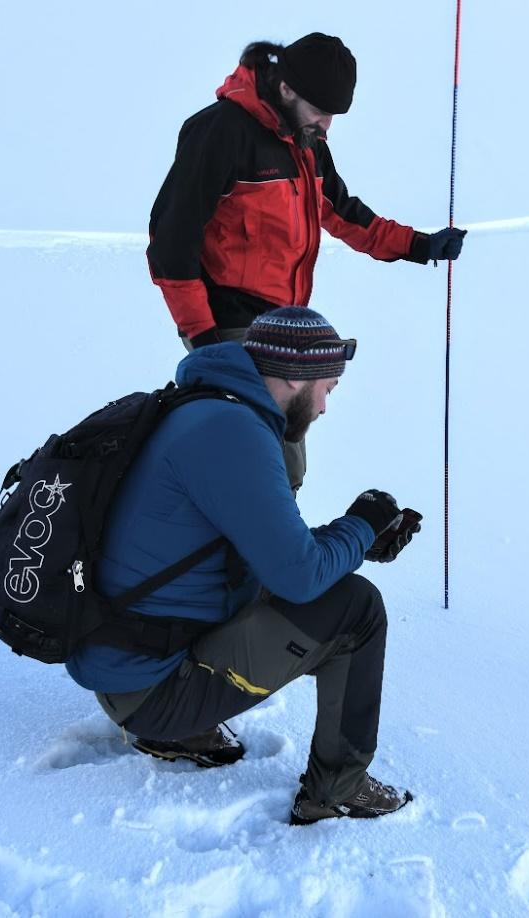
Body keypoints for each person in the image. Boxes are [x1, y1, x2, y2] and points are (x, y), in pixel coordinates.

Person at [66, 306, 422, 825]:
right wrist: (362, 524)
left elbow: (275, 553)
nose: (324, 407)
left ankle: (183, 728)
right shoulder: (235, 434)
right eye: (327, 388)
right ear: (290, 378)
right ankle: (338, 788)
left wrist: (358, 543)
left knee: (313, 587)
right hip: (148, 689)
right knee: (356, 609)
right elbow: (298, 576)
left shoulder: (206, 408)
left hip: (124, 661)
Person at [147, 32, 466, 493]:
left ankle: (264, 550)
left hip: (282, 322)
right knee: (270, 459)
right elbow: (170, 244)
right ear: (286, 89)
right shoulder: (221, 131)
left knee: (283, 454)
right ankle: (265, 553)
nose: (327, 124)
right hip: (228, 321)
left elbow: (340, 211)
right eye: (321, 111)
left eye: (334, 114)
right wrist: (206, 338)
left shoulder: (305, 139)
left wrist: (419, 245)